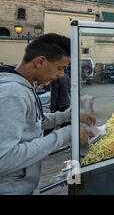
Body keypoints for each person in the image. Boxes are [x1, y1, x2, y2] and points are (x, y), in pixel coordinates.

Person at [0, 33, 96, 195]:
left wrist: (67, 116)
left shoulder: (25, 85)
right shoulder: (12, 93)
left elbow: (34, 121)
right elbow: (5, 158)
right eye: (60, 68)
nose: (61, 75)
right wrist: (67, 133)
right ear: (40, 62)